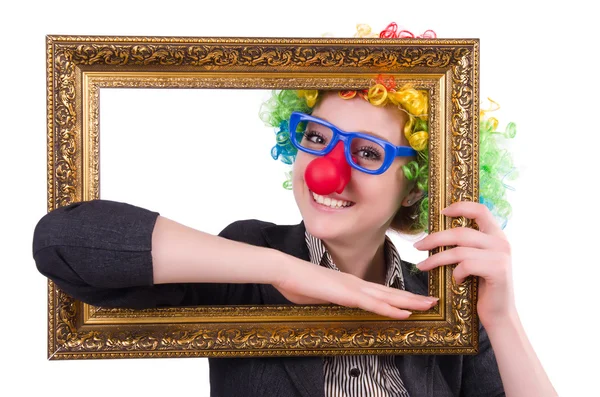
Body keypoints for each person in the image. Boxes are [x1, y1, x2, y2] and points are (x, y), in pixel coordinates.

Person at [32, 24, 557, 397]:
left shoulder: (443, 300)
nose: (326, 170)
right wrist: (284, 270)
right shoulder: (246, 260)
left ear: (417, 184)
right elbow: (63, 243)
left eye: (368, 153)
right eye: (316, 137)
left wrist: (502, 318)